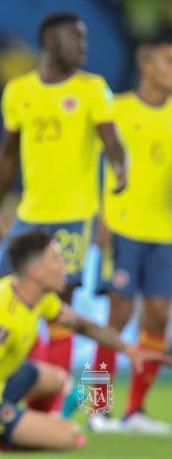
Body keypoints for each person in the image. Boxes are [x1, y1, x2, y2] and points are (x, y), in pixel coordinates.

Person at [0, 12, 127, 411]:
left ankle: (99, 406)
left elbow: (115, 146)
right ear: (50, 41)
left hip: (98, 223)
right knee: (13, 300)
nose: (84, 48)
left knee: (120, 313)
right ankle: (67, 402)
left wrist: (119, 174)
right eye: (76, 39)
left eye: (85, 40)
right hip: (35, 216)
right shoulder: (19, 90)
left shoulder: (96, 91)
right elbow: (8, 153)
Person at [0, 230, 167, 455]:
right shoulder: (0, 317)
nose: (65, 266)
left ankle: (23, 425)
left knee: (57, 379)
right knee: (70, 437)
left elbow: (82, 325)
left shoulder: (35, 295)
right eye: (57, 260)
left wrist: (128, 349)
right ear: (36, 272)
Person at [90, 38, 172, 434]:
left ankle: (136, 411)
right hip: (122, 229)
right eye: (169, 61)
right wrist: (96, 213)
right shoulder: (116, 109)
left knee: (157, 317)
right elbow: (87, 161)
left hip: (166, 233)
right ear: (147, 66)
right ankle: (96, 407)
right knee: (116, 318)